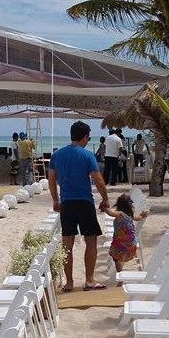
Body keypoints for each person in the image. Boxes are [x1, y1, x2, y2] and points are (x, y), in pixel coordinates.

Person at [48, 121, 110, 292]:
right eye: (88, 136)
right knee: (91, 241)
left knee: (67, 243)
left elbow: (51, 180)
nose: (88, 139)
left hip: (66, 203)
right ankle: (89, 280)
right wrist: (105, 198)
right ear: (84, 137)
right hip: (84, 202)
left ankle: (69, 283)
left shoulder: (57, 155)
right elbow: (97, 179)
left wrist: (55, 200)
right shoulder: (87, 155)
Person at [103, 194, 148, 279]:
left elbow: (110, 213)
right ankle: (121, 266)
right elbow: (138, 218)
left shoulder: (120, 214)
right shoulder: (129, 215)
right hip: (132, 244)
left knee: (115, 257)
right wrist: (142, 216)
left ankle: (120, 274)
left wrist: (105, 207)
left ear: (118, 205)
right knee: (119, 255)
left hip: (121, 244)